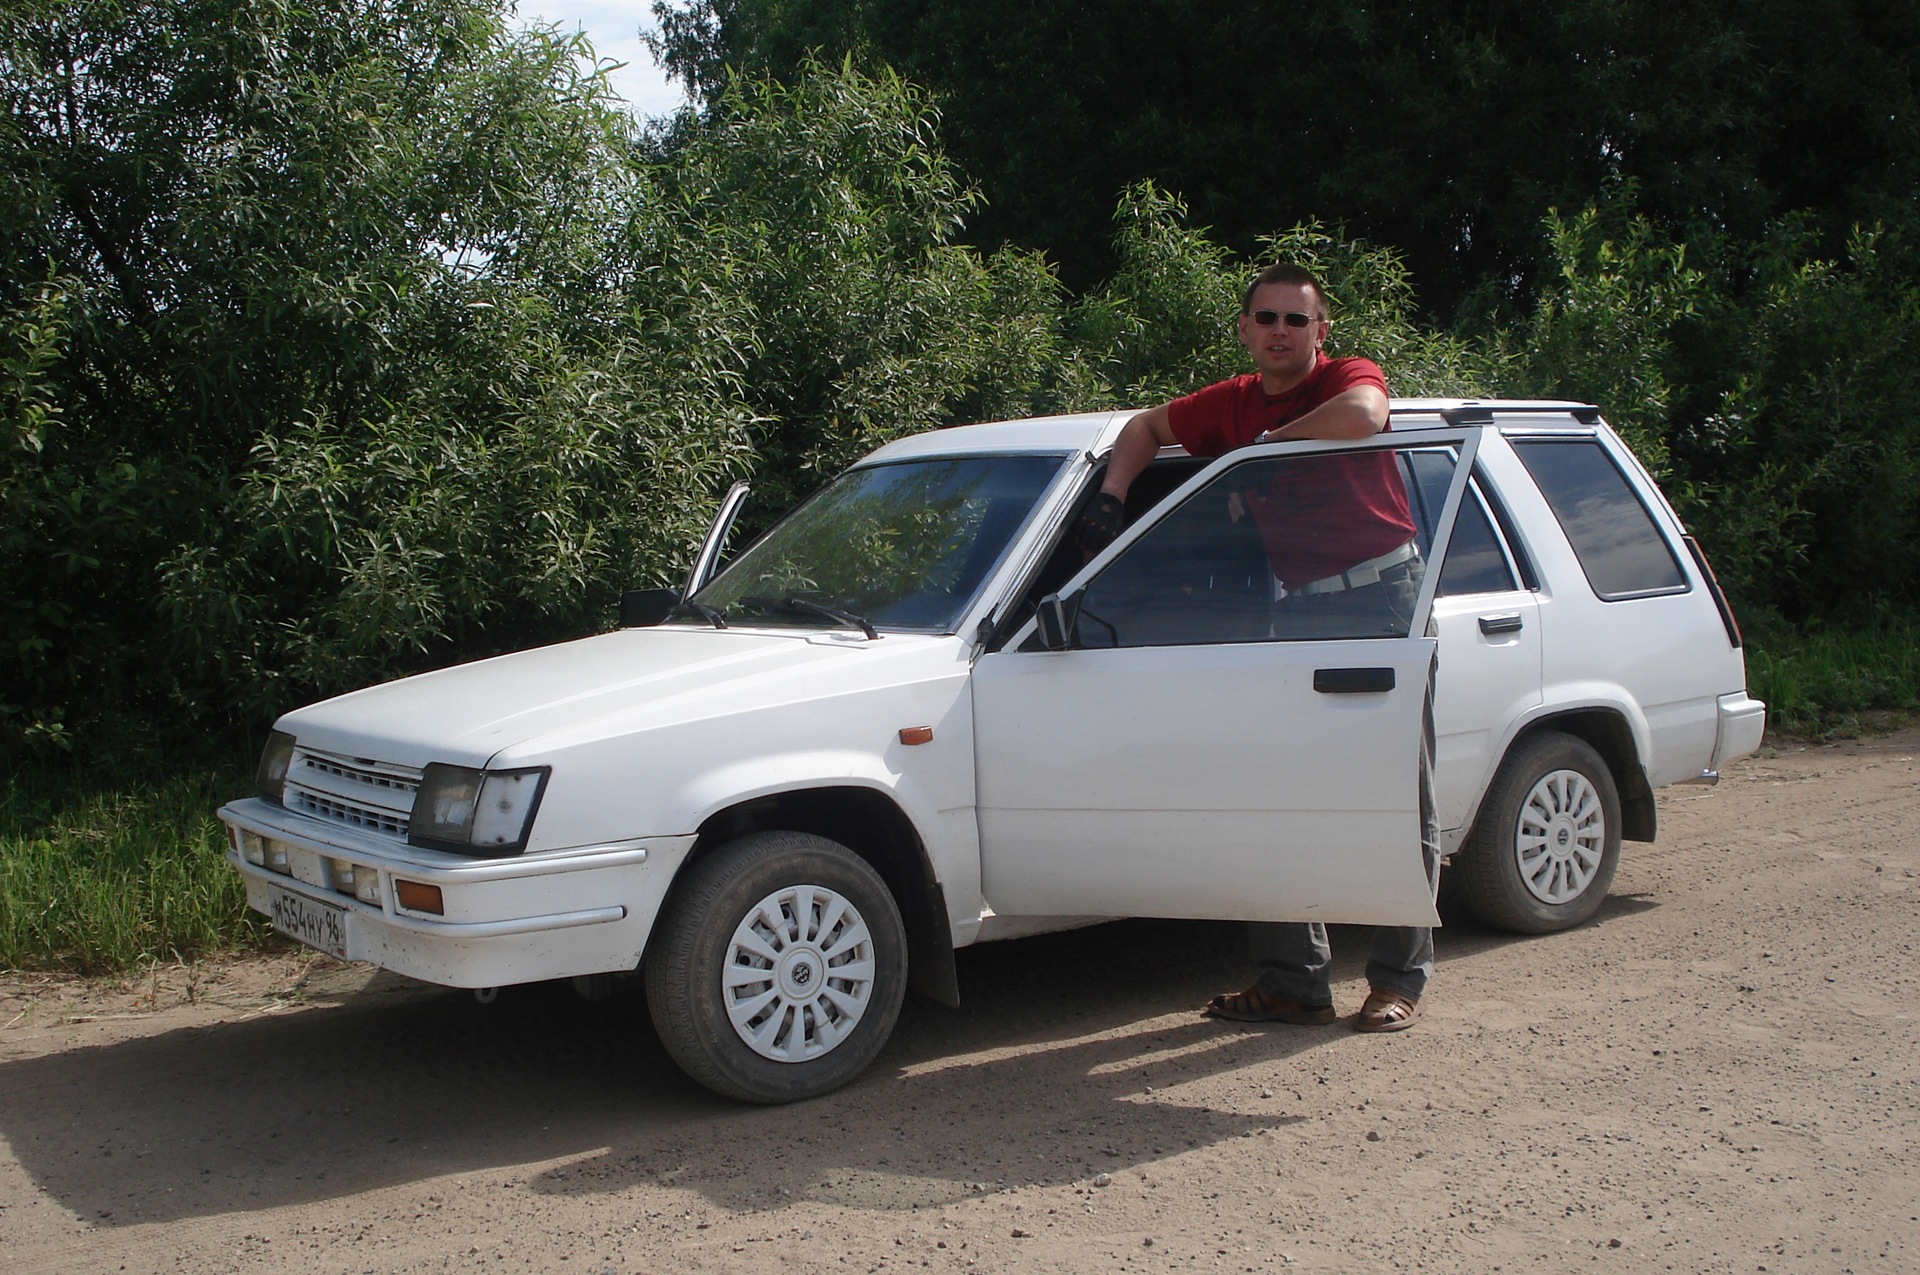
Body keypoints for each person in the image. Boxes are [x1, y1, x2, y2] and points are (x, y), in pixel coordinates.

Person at [1080, 261, 1439, 1033]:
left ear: (1322, 330)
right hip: (1294, 609)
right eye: (1266, 318)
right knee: (1278, 792)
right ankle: (1293, 984)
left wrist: (1261, 452)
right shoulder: (1232, 402)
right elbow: (1143, 428)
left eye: (1296, 320)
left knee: (1394, 789)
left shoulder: (1344, 378)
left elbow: (1364, 417)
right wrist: (1111, 499)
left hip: (1383, 600)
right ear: (1244, 329)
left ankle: (1397, 979)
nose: (1281, 331)